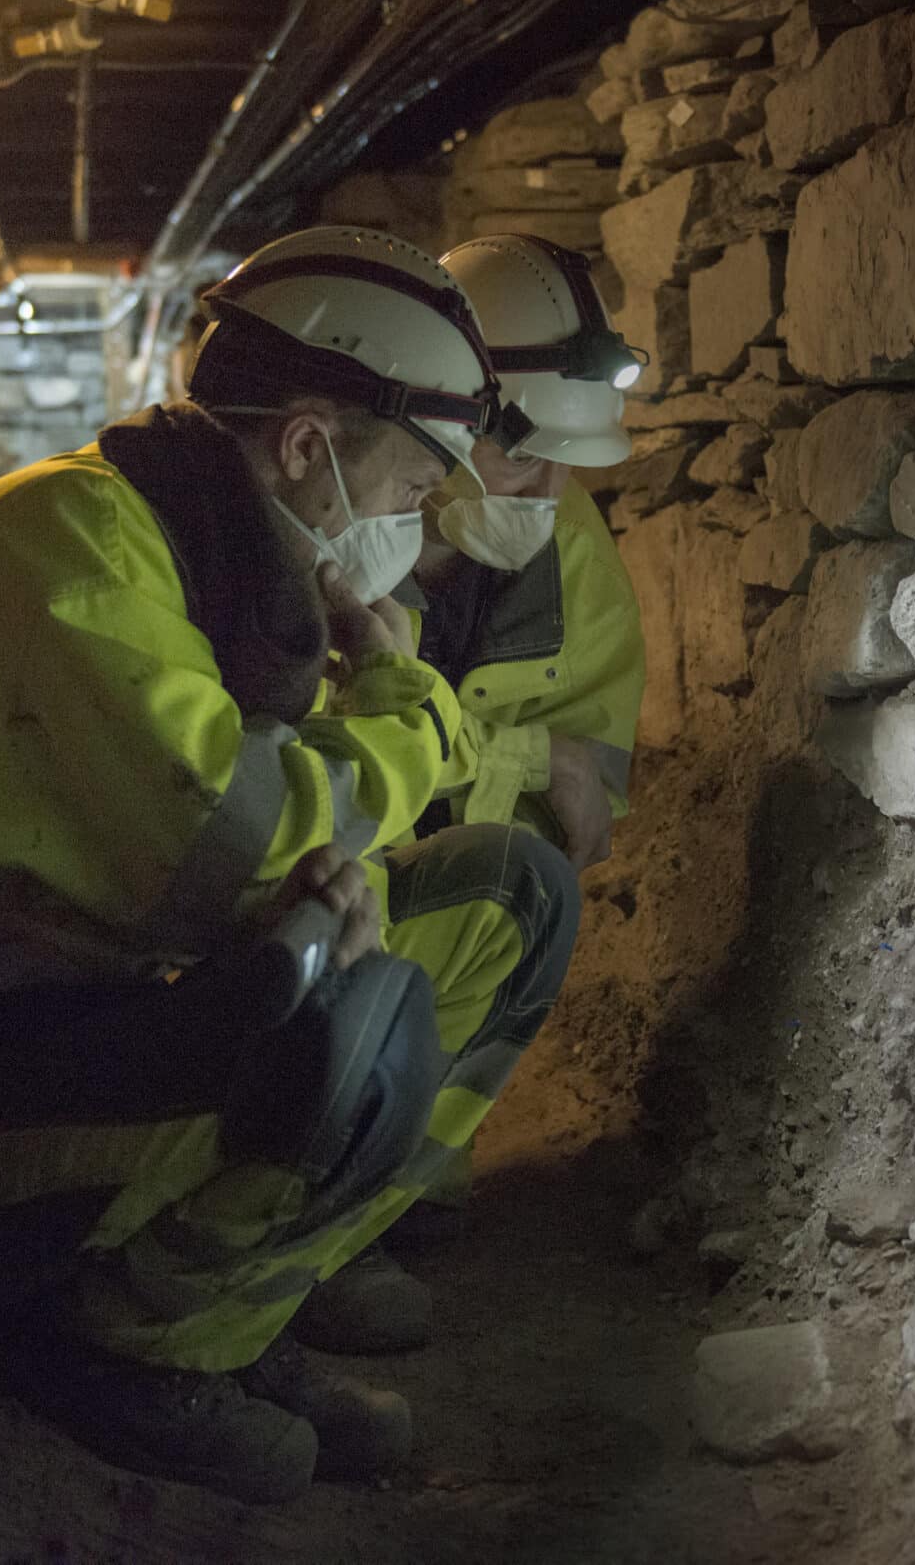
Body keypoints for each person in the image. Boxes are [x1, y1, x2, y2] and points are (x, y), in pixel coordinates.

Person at [0, 227, 582, 1505]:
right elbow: (241, 847)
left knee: (504, 897)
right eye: (415, 482)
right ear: (308, 444)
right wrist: (404, 715)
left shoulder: (224, 560)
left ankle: (230, 1322)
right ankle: (103, 1339)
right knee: (352, 1021)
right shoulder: (76, 540)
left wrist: (324, 854)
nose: (424, 521)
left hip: (88, 1000)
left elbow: (289, 830)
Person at [285, 234, 643, 1358]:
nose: (547, 492)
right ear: (447, 421)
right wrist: (523, 759)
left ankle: (381, 1194)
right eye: (521, 457)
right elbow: (285, 759)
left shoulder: (559, 546)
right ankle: (262, 1218)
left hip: (403, 847)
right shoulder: (315, 514)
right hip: (302, 852)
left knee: (517, 881)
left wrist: (517, 773)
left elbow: (590, 788)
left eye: (559, 465)